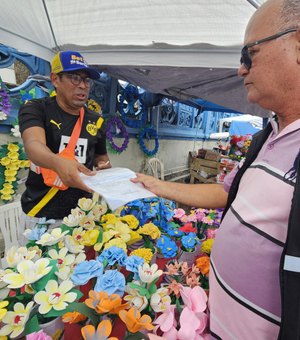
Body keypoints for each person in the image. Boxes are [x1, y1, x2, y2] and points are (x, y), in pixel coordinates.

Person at [132, 0, 300, 338]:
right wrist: (158, 186)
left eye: (248, 54)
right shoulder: (266, 137)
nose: (241, 70)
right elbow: (229, 193)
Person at [18, 50, 111, 231]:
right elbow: (33, 145)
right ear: (55, 80)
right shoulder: (36, 109)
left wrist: (106, 170)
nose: (83, 85)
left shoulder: (96, 120)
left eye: (86, 80)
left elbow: (101, 157)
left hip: (83, 215)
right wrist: (58, 162)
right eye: (75, 78)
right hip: (41, 214)